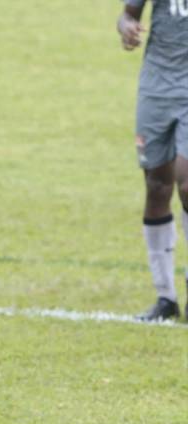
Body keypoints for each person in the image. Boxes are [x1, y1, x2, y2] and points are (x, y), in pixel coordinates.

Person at [118, 1, 188, 321]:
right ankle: (165, 298)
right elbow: (128, 14)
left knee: (187, 184)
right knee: (157, 186)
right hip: (157, 88)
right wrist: (127, 29)